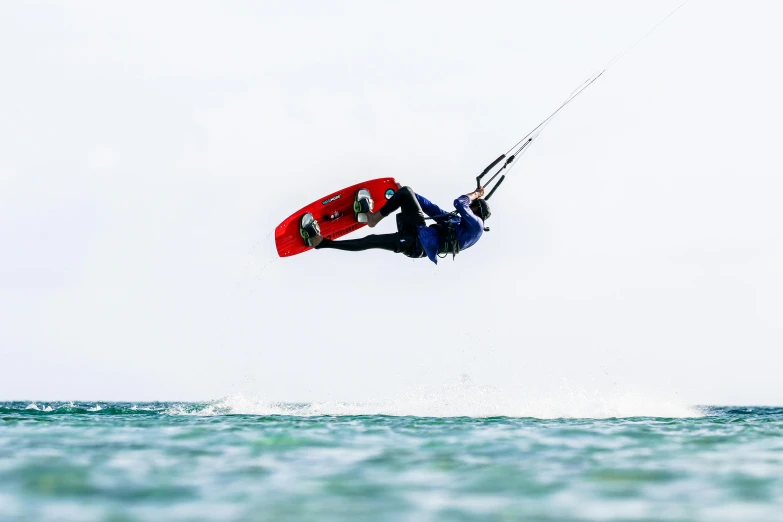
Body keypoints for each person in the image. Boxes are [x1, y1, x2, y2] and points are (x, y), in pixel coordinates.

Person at [301, 184, 490, 264]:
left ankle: (322, 242)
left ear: (476, 209)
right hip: (419, 231)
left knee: (371, 240)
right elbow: (432, 209)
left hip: (416, 245)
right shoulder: (458, 222)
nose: (469, 205)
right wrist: (405, 195)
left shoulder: (477, 226)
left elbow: (459, 202)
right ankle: (371, 215)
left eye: (472, 205)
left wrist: (475, 194)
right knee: (407, 192)